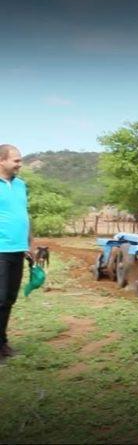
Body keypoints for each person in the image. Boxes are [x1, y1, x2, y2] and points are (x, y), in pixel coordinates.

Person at [0, 144, 32, 363]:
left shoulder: (21, 185)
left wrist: (30, 243)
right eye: (16, 160)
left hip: (18, 249)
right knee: (0, 299)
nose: (20, 164)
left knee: (9, 299)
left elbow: (24, 215)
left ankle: (2, 343)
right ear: (1, 161)